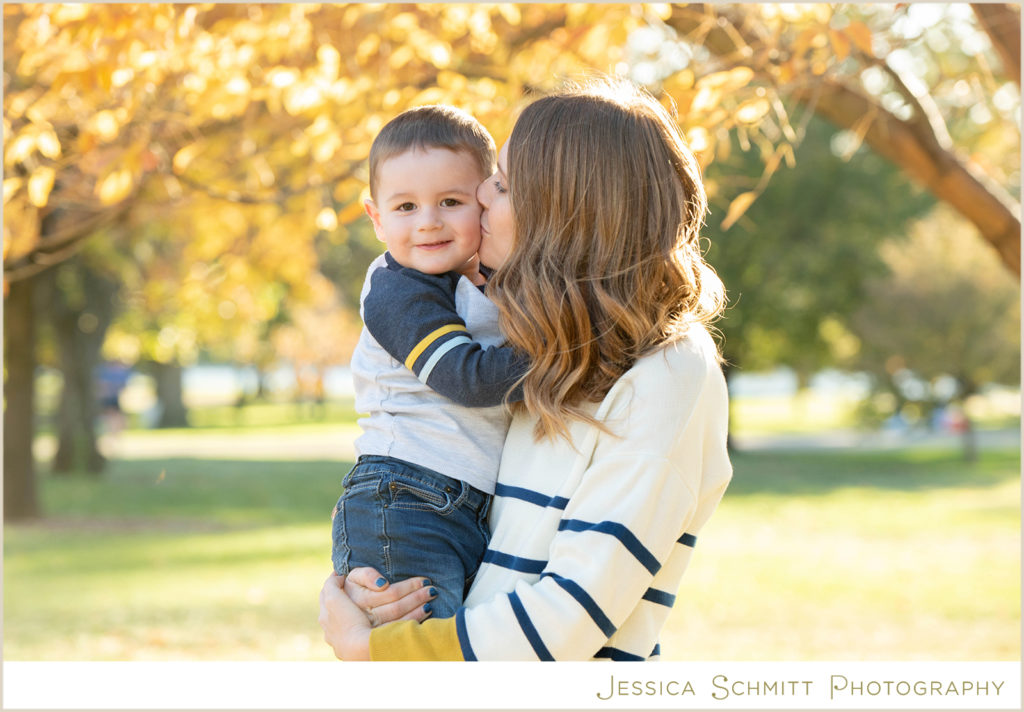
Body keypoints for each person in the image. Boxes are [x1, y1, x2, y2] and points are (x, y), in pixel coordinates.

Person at [319, 76, 733, 661]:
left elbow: (571, 614)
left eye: (505, 185)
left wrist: (380, 651)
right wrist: (376, 585)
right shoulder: (544, 348)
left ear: (569, 215)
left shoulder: (667, 372)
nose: (480, 195)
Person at [332, 104, 529, 619]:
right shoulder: (398, 290)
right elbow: (469, 379)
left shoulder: (489, 279)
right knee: (421, 657)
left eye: (450, 201)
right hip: (406, 500)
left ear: (486, 200)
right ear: (375, 218)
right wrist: (565, 347)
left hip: (461, 506)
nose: (428, 223)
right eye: (405, 208)